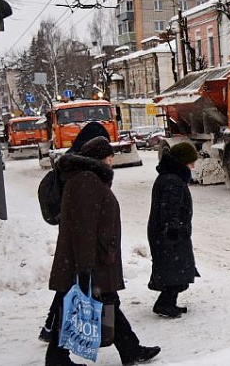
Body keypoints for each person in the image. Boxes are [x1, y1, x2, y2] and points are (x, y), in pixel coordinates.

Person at [45, 136, 160, 365]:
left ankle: (130, 349)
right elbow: (84, 227)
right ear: (98, 158)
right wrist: (84, 268)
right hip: (92, 261)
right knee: (80, 306)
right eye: (108, 157)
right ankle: (58, 358)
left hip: (96, 258)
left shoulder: (87, 178)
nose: (111, 162)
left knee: (106, 304)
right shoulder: (86, 180)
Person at [39, 122, 111, 343]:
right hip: (82, 240)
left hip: (78, 238)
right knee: (80, 289)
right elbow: (84, 211)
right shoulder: (84, 172)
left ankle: (53, 333)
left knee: (75, 288)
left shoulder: (76, 163)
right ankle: (56, 336)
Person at [147, 142, 200, 318]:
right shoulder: (173, 181)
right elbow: (169, 209)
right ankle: (165, 304)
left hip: (167, 232)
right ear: (183, 161)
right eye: (191, 162)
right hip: (170, 234)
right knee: (176, 270)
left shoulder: (169, 177)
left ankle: (168, 303)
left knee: (175, 269)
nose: (193, 166)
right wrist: (173, 229)